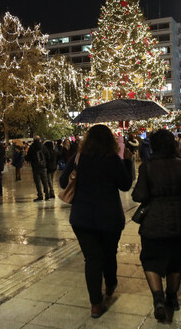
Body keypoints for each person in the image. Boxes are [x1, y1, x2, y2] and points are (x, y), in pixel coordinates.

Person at [59, 124, 133, 319]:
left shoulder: (78, 157)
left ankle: (95, 304)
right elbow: (125, 185)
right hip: (109, 217)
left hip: (82, 218)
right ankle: (110, 284)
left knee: (92, 258)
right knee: (109, 253)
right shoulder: (112, 160)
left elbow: (62, 182)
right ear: (109, 140)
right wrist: (126, 161)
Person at [131, 129, 181, 322]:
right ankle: (172, 298)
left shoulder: (147, 167)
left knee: (150, 259)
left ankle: (158, 299)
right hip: (178, 222)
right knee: (176, 261)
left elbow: (140, 195)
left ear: (153, 145)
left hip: (153, 222)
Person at [25, 136, 50, 202]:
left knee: (38, 182)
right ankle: (47, 195)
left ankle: (40, 195)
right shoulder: (43, 147)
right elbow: (48, 156)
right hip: (43, 167)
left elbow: (28, 157)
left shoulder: (32, 147)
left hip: (35, 167)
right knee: (45, 181)